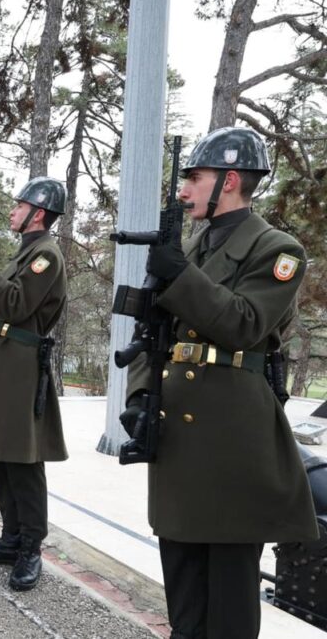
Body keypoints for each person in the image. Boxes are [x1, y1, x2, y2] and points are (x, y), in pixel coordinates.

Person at [124, 127, 317, 638]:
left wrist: (180, 277)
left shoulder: (279, 249)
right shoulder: (192, 245)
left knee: (228, 596)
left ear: (230, 181)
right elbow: (153, 332)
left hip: (233, 437)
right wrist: (140, 394)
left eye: (195, 178)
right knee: (182, 580)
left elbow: (245, 324)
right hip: (177, 430)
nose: (184, 190)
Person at [0, 177, 69, 592]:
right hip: (1, 362)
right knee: (1, 458)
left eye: (18, 205)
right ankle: (11, 537)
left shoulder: (45, 256)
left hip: (20, 366)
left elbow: (16, 304)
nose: (12, 211)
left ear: (37, 213)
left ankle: (30, 548)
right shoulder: (26, 253)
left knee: (23, 463)